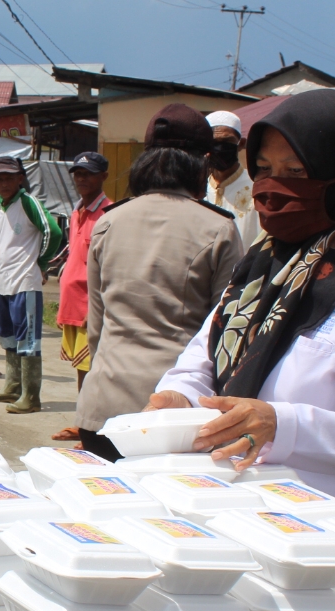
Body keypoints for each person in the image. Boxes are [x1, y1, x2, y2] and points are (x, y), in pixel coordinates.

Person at [151, 89, 335, 516]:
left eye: (295, 171)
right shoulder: (258, 269)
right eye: (263, 169)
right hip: (248, 508)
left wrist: (282, 424)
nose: (271, 188)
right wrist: (176, 398)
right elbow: (200, 365)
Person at [74, 104, 243, 461]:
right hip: (175, 415)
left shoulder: (109, 222)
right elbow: (224, 332)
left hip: (104, 405)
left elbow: (97, 327)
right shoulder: (218, 228)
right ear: (202, 162)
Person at [0, 157, 62, 413]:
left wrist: (40, 261)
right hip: (3, 283)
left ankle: (31, 396)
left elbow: (53, 232)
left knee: (28, 340)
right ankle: (13, 387)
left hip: (25, 282)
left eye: (9, 177)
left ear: (20, 178)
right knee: (8, 338)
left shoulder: (28, 202)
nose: (4, 183)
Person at [51, 152, 110, 441]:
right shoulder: (76, 212)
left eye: (89, 173)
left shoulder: (108, 214)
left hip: (92, 307)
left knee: (94, 370)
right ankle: (84, 423)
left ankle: (93, 431)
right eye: (78, 173)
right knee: (82, 369)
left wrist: (96, 306)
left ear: (104, 177)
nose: (82, 178)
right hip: (72, 304)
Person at [205, 110, 260, 244]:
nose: (219, 148)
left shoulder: (257, 188)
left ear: (241, 144)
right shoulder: (197, 190)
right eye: (214, 143)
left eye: (227, 142)